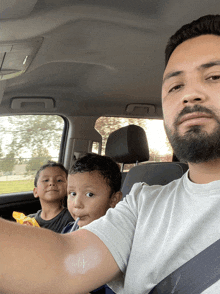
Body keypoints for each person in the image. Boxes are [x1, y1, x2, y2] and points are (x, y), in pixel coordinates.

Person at [2, 14, 220, 294]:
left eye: (214, 76)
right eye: (175, 86)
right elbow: (65, 264)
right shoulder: (143, 202)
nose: (189, 95)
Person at [62, 153, 122, 294]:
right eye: (72, 193)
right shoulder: (69, 229)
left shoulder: (115, 244)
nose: (77, 204)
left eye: (89, 194)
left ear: (114, 200)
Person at [29, 161, 74, 233]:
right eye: (46, 180)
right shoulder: (28, 221)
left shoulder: (71, 219)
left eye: (59, 180)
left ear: (67, 189)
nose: (52, 183)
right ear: (35, 191)